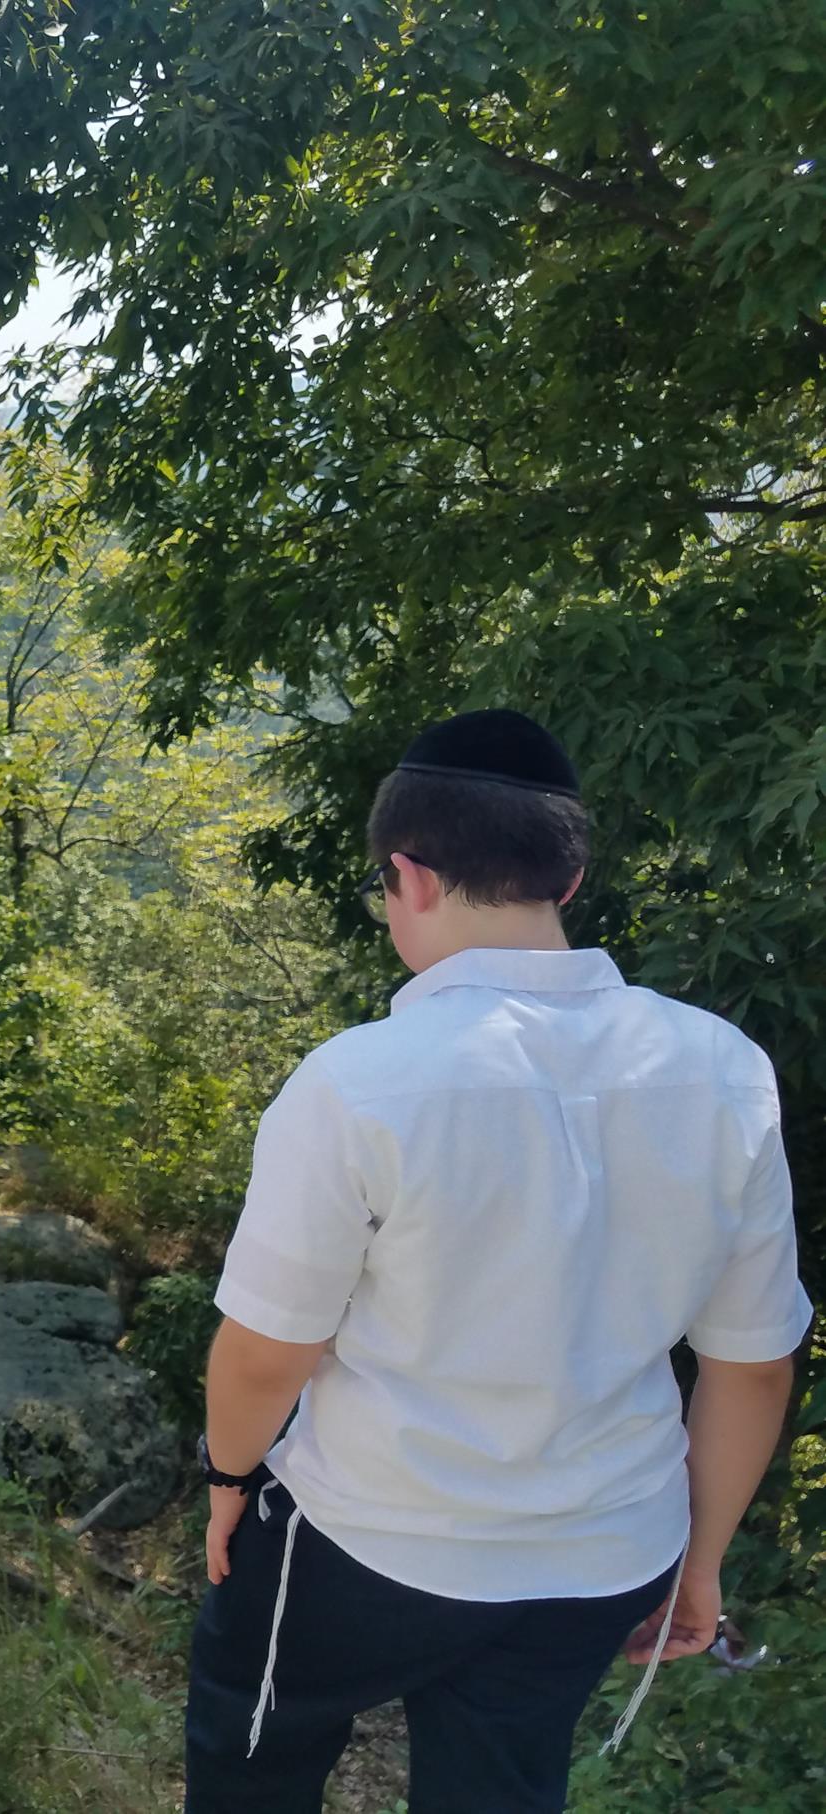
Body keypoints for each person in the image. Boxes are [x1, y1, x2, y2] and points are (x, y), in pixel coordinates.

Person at [186, 710, 812, 1814]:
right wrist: (699, 1559)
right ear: (568, 879)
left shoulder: (359, 1081)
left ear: (407, 876)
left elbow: (267, 1351)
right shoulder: (724, 1070)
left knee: (257, 1743)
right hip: (600, 1553)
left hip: (367, 1533)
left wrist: (229, 1480)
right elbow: (753, 1366)